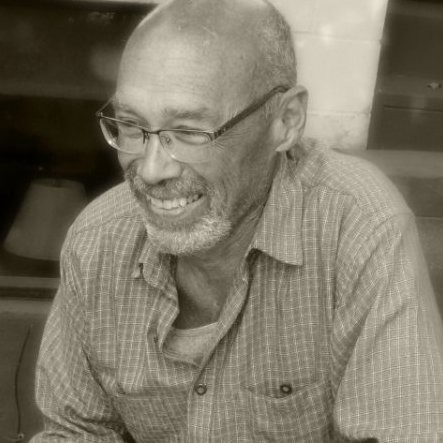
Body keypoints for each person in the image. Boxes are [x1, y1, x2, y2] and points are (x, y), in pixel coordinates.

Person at [31, 0, 443, 441]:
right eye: (131, 125)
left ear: (285, 121)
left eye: (189, 132)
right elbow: (75, 430)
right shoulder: (98, 239)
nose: (150, 170)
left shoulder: (357, 226)